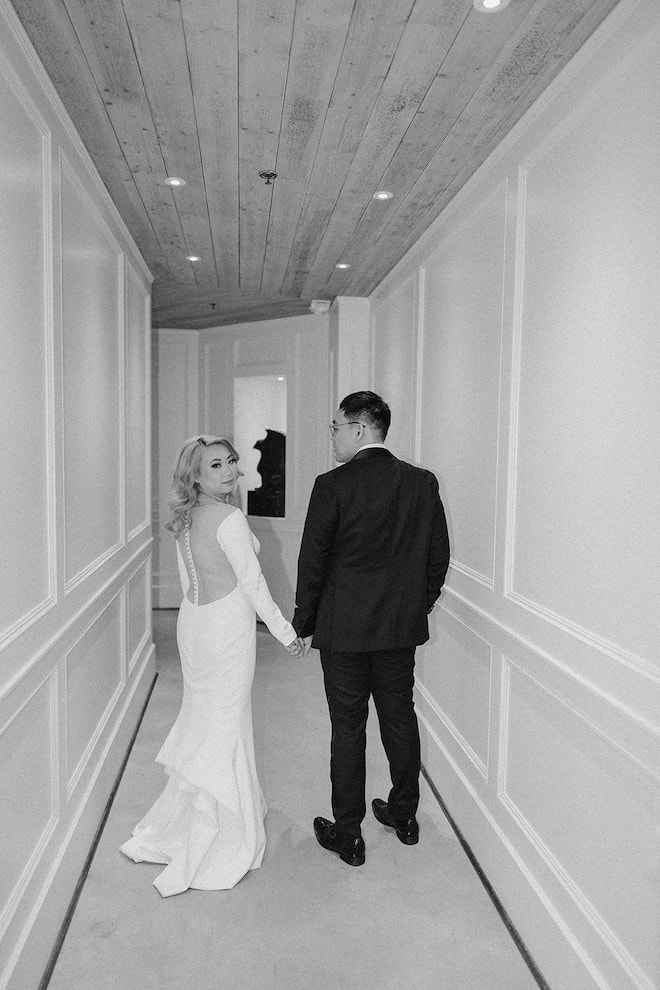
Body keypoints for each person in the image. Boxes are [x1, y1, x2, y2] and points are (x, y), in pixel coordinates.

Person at [121, 435, 303, 896]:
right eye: (215, 465)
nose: (228, 470)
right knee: (226, 723)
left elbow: (188, 582)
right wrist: (287, 634)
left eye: (230, 461)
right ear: (196, 476)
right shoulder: (230, 519)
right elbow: (254, 585)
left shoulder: (187, 518)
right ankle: (221, 830)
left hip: (194, 623)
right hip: (226, 629)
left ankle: (219, 811)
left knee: (207, 718)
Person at [292, 392, 450, 867]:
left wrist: (304, 622)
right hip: (399, 630)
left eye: (336, 426)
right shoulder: (421, 483)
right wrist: (413, 607)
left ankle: (349, 835)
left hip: (344, 632)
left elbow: (312, 563)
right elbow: (437, 558)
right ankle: (404, 817)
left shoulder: (332, 486)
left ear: (360, 429)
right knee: (399, 715)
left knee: (349, 726)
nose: (333, 435)